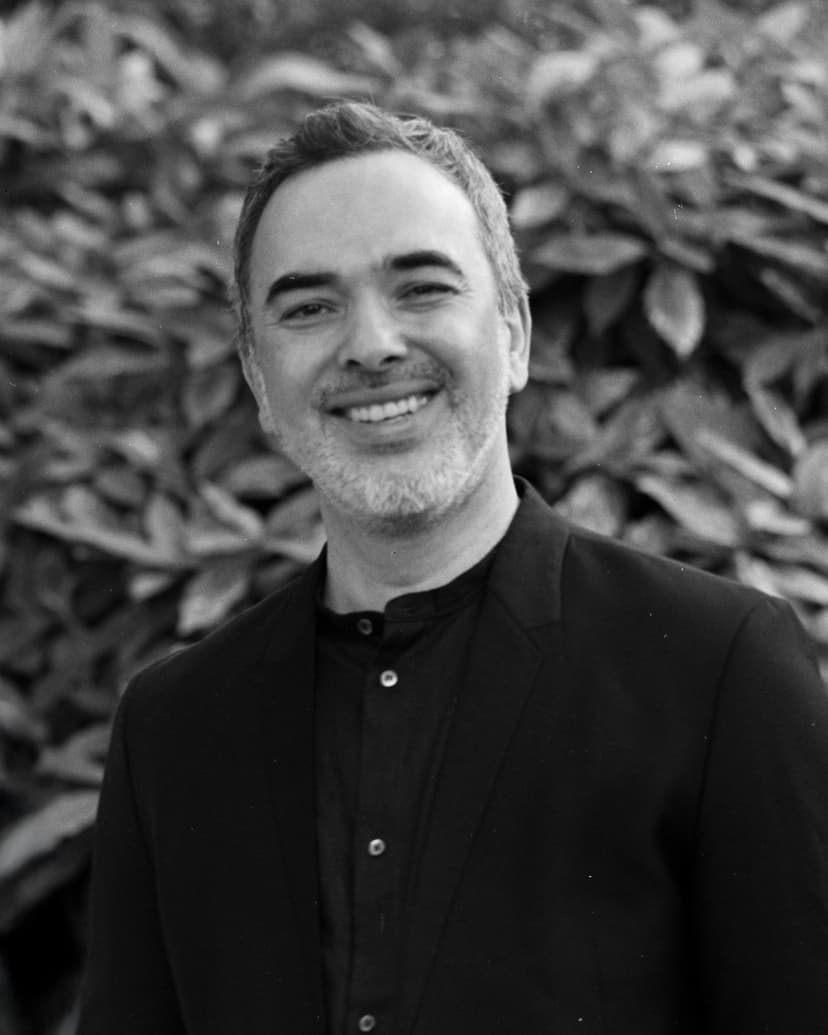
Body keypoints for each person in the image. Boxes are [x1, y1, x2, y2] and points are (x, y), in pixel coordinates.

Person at [77, 101, 828, 1035]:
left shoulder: (722, 673)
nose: (372, 344)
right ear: (259, 379)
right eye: (311, 306)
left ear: (512, 333)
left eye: (423, 287)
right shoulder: (174, 731)